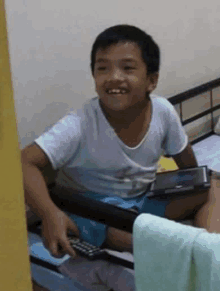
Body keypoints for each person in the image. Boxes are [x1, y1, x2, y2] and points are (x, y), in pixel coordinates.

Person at [21, 24, 220, 259]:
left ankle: (210, 251)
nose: (114, 77)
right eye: (102, 68)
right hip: (100, 210)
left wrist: (199, 182)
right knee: (140, 238)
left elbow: (186, 161)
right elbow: (23, 162)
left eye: (127, 68)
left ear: (151, 80)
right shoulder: (80, 123)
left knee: (212, 190)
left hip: (146, 197)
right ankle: (182, 253)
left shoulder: (162, 111)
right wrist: (48, 213)